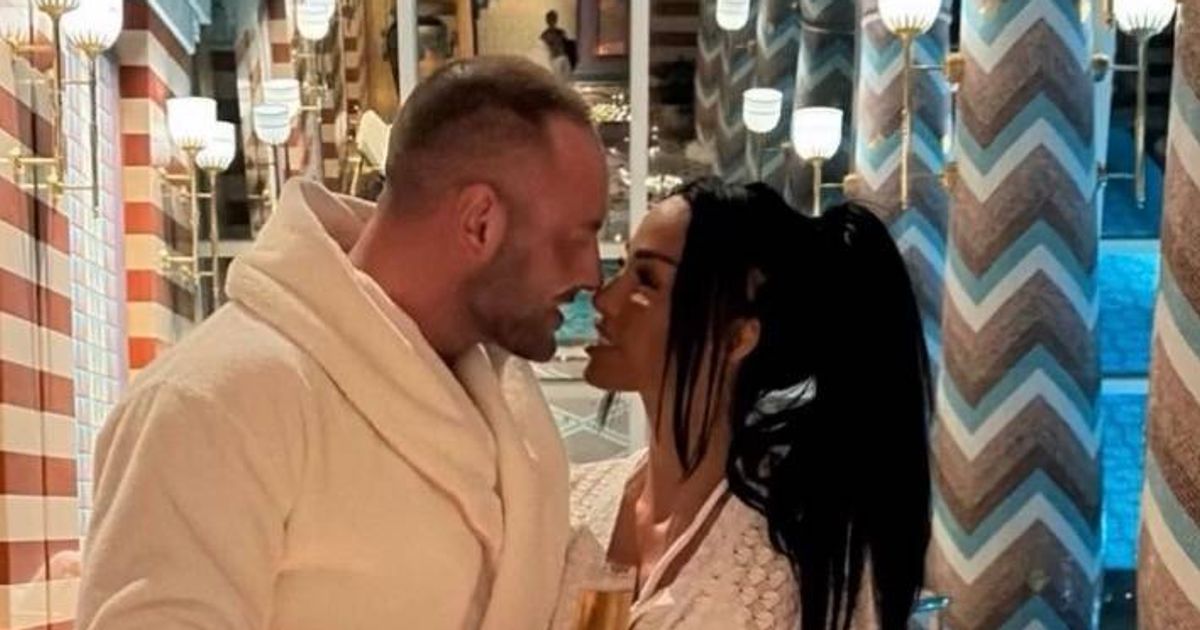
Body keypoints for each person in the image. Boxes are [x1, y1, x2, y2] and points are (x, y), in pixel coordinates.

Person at [77, 56, 608, 630]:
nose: (591, 274)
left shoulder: (508, 411)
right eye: (575, 239)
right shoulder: (217, 400)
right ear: (479, 221)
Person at [565, 179, 932, 629]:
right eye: (622, 268)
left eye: (647, 280)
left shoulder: (798, 556)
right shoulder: (571, 503)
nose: (603, 298)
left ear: (737, 337)